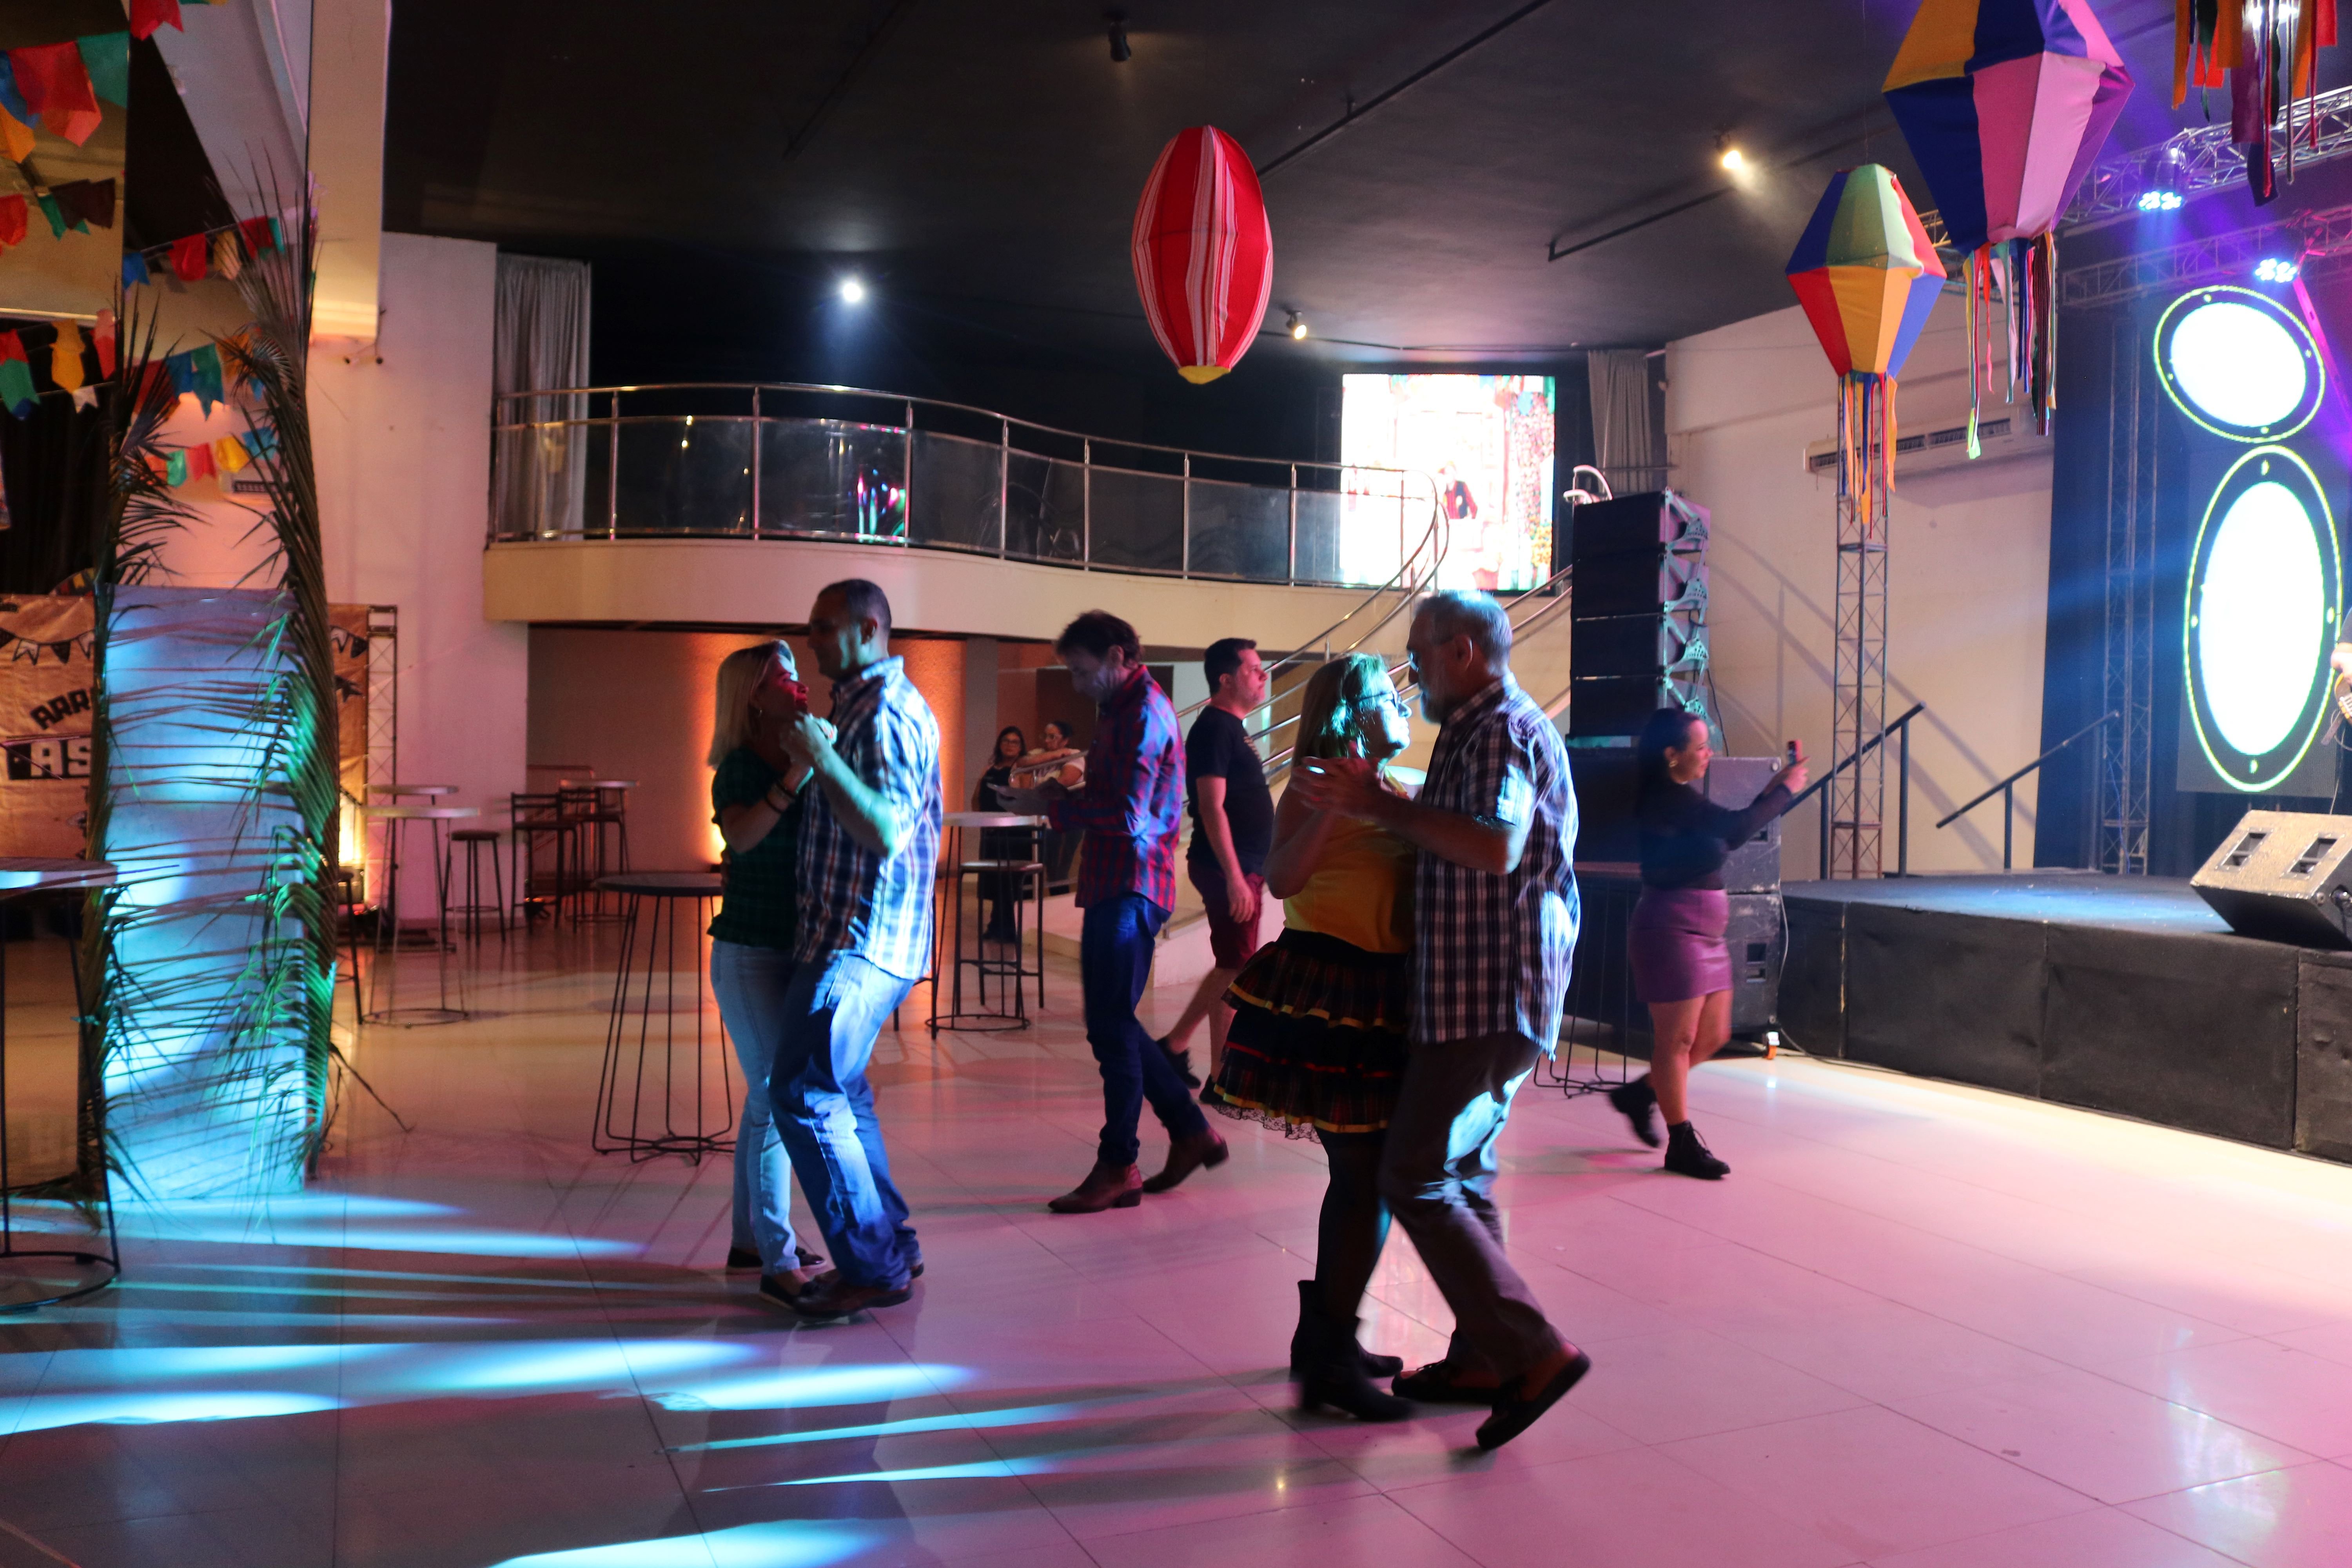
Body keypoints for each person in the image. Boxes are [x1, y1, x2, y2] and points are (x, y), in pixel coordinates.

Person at [1290, 588, 1588, 1452]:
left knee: (1412, 1172)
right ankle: (1483, 1359)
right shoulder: (1472, 728)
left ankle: (1532, 1352)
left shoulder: (1496, 728)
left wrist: (1378, 807)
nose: (1412, 673)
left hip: (1488, 993)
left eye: (1419, 656)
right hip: (1476, 991)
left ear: (1462, 650)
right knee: (1463, 1170)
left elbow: (1494, 845)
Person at [1211, 652, 1415, 1421]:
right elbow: (1285, 878)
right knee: (1364, 1178)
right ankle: (1329, 1351)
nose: (1400, 702)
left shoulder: (1392, 785)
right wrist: (1339, 804)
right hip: (1333, 988)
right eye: (1387, 694)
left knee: (1365, 1177)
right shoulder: (1316, 781)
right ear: (1351, 711)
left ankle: (1327, 1334)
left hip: (1381, 989)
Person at [1002, 611, 1226, 1213]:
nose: (1077, 684)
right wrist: (1058, 795)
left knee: (1113, 1026)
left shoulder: (1142, 714)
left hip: (1132, 884)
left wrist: (1050, 810)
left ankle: (1122, 1162)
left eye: (1082, 671)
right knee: (1111, 1023)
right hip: (1116, 882)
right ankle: (1187, 1132)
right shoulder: (1120, 710)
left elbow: (1131, 816)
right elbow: (1117, 798)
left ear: (1119, 657)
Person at [766, 578, 940, 1320]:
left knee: (805, 1093)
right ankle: (891, 1243)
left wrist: (822, 758)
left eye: (823, 626)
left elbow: (888, 831)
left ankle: (873, 1266)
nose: (811, 639)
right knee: (843, 1092)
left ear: (869, 629)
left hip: (860, 938)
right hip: (853, 933)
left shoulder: (887, 713)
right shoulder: (860, 707)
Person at [1606, 709, 1806, 1179]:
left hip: (1705, 934)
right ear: (1671, 755)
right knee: (1676, 1040)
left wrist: (1773, 793)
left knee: (1713, 1035)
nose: (1709, 754)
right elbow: (1735, 830)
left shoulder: (1684, 798)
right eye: (1700, 747)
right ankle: (1681, 1143)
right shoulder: (1664, 798)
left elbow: (1728, 829)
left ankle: (1640, 1094)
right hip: (1670, 928)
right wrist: (1784, 792)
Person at [706, 642, 831, 1292]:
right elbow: (742, 837)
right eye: (784, 676)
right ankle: (777, 1261)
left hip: (798, 948)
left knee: (767, 1101)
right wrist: (799, 774)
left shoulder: (810, 752)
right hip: (749, 951)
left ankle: (750, 1243)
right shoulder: (739, 767)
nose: (799, 683)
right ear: (753, 695)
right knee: (775, 1097)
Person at [1158, 637, 1274, 1088]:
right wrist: (1234, 877)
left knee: (1231, 963)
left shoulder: (1232, 727)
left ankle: (1173, 1047)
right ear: (1227, 680)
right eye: (1253, 669)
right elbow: (1211, 806)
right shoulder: (1214, 728)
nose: (1263, 675)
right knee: (1236, 970)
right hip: (1229, 867)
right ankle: (1222, 1080)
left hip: (1243, 865)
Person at [973, 725, 1030, 944]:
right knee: (994, 880)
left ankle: (1011, 927)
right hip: (991, 831)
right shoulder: (989, 769)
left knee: (1010, 882)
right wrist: (982, 821)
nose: (1010, 745)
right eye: (1006, 741)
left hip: (1014, 834)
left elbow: (1025, 799)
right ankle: (995, 925)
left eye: (1015, 742)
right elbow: (977, 797)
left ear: (1021, 746)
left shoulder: (1022, 770)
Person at [1018, 720, 1086, 891]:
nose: (1047, 741)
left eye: (1052, 737)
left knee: (1059, 871)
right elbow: (1022, 764)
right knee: (1042, 866)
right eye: (1045, 736)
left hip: (1066, 820)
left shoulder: (1074, 755)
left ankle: (1061, 905)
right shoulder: (1039, 753)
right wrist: (1053, 756)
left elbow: (1064, 782)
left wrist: (1037, 786)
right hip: (1042, 820)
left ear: (1065, 740)